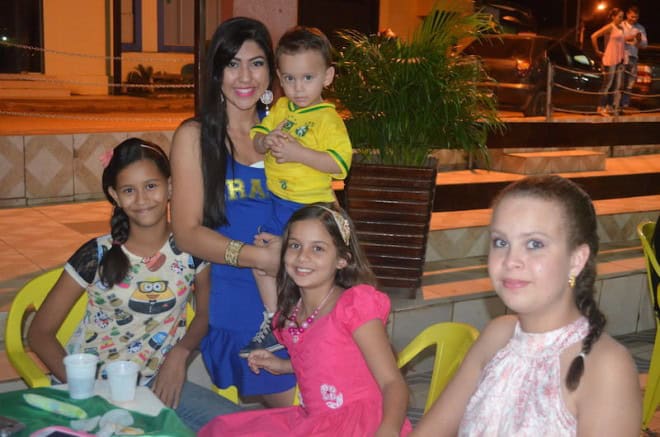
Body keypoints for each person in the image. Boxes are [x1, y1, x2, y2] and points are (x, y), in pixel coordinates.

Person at [27, 138, 240, 431]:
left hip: (158, 384)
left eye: (151, 186)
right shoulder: (96, 255)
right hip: (93, 392)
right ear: (115, 195)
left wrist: (180, 353)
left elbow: (204, 314)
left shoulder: (192, 248)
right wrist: (87, 388)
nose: (142, 199)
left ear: (171, 186)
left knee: (243, 427)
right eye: (129, 190)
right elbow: (39, 333)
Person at [411, 175, 641, 436]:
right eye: (501, 242)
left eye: (534, 244)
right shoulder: (498, 336)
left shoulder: (605, 366)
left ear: (576, 260)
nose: (511, 260)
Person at [169, 17, 297, 407]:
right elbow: (186, 232)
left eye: (256, 63)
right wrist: (259, 257)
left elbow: (323, 206)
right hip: (238, 296)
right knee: (305, 410)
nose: (245, 76)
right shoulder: (195, 137)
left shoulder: (285, 132)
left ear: (270, 73)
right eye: (232, 63)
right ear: (216, 73)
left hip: (298, 284)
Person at [199, 204, 413, 436]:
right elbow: (321, 361)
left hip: (361, 425)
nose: (303, 257)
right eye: (295, 245)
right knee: (223, 430)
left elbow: (392, 383)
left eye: (318, 248)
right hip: (314, 420)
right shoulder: (293, 315)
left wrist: (388, 430)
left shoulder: (353, 306)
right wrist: (281, 366)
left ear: (342, 260)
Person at [240, 26, 353, 357]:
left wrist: (298, 153)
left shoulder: (328, 119)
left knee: (307, 268)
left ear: (327, 77)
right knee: (260, 257)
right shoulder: (281, 109)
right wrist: (266, 140)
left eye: (307, 78)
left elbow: (339, 165)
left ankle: (316, 326)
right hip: (279, 204)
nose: (298, 87)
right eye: (289, 78)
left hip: (311, 209)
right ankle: (277, 321)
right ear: (279, 77)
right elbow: (256, 138)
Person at [591, 8, 626, 116]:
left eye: (622, 17)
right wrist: (597, 50)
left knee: (615, 85)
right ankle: (600, 107)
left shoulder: (621, 28)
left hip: (619, 59)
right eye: (619, 16)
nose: (621, 19)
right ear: (613, 17)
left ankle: (609, 106)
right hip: (610, 59)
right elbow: (594, 36)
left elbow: (622, 43)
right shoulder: (610, 27)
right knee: (607, 84)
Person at [621, 5, 648, 110]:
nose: (634, 19)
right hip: (621, 57)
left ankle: (625, 105)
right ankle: (615, 104)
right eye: (632, 16)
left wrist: (639, 41)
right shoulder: (621, 25)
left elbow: (644, 45)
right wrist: (629, 38)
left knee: (630, 83)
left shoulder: (640, 28)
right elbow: (616, 40)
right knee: (619, 81)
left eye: (636, 17)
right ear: (627, 14)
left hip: (633, 57)